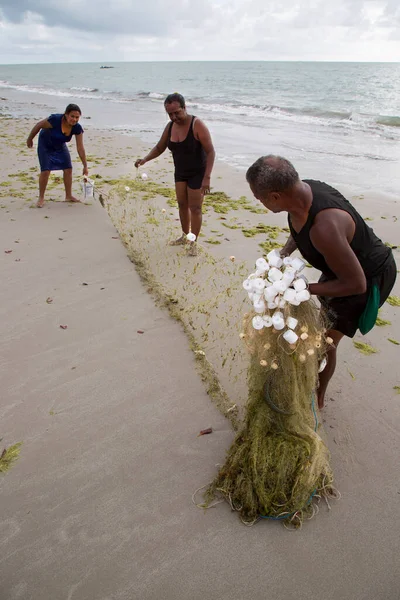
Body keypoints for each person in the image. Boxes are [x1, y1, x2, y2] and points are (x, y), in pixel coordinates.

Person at [246, 155, 397, 409]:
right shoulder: (302, 193)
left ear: (274, 197)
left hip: (367, 276)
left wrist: (301, 289)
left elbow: (355, 284)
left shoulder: (325, 228)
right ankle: (309, 384)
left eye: (259, 197)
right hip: (341, 263)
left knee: (325, 341)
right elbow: (299, 230)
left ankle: (317, 399)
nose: (258, 202)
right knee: (317, 328)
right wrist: (283, 254)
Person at [135, 93, 215, 256]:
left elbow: (211, 151)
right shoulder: (170, 126)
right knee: (181, 205)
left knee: (195, 208)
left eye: (176, 112)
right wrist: (145, 160)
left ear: (184, 108)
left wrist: (207, 178)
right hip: (180, 172)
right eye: (170, 114)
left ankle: (193, 242)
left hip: (197, 173)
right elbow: (160, 147)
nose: (173, 117)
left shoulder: (197, 125)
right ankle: (185, 236)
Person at [26, 104, 88, 208]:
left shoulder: (77, 128)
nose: (74, 119)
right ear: (66, 115)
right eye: (72, 116)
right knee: (45, 171)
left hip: (59, 145)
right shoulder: (54, 120)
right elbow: (39, 125)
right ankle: (41, 197)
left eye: (77, 117)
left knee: (68, 169)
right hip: (45, 145)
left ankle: (68, 196)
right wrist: (30, 139)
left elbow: (80, 148)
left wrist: (85, 166)